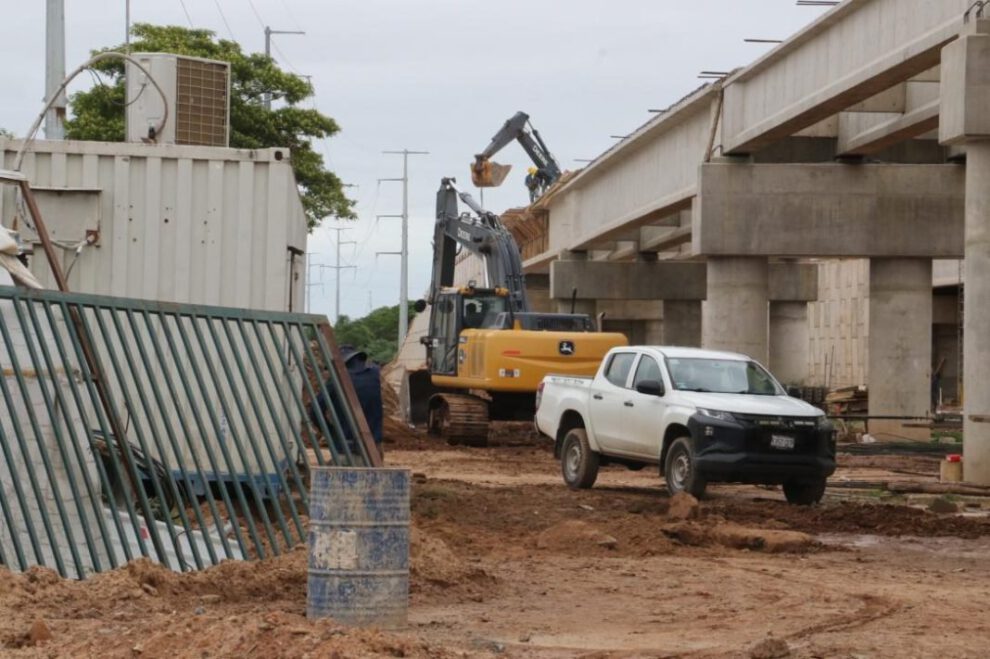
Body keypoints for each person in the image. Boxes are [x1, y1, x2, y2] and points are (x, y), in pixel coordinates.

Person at [310, 344, 384, 452]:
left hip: (346, 446)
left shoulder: (336, 381)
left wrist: (331, 432)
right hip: (373, 447)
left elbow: (315, 410)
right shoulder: (375, 375)